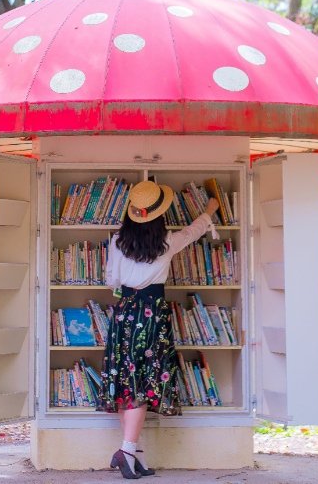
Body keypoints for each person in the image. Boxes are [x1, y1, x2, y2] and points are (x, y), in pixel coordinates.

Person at [97, 179, 219, 479]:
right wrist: (210, 210)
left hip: (124, 314)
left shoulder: (116, 241)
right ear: (158, 215)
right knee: (142, 383)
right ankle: (127, 451)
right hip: (151, 316)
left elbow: (111, 279)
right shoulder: (167, 241)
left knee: (126, 382)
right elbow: (193, 232)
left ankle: (133, 453)